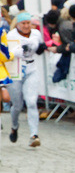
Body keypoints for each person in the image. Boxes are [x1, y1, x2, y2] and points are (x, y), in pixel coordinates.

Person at [4, 12, 46, 147]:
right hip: (15, 72)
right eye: (23, 23)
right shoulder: (10, 36)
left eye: (28, 23)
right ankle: (14, 126)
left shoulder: (36, 34)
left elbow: (40, 48)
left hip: (31, 69)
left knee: (32, 101)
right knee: (17, 105)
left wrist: (42, 47)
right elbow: (4, 55)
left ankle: (34, 135)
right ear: (17, 24)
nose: (26, 26)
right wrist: (14, 53)